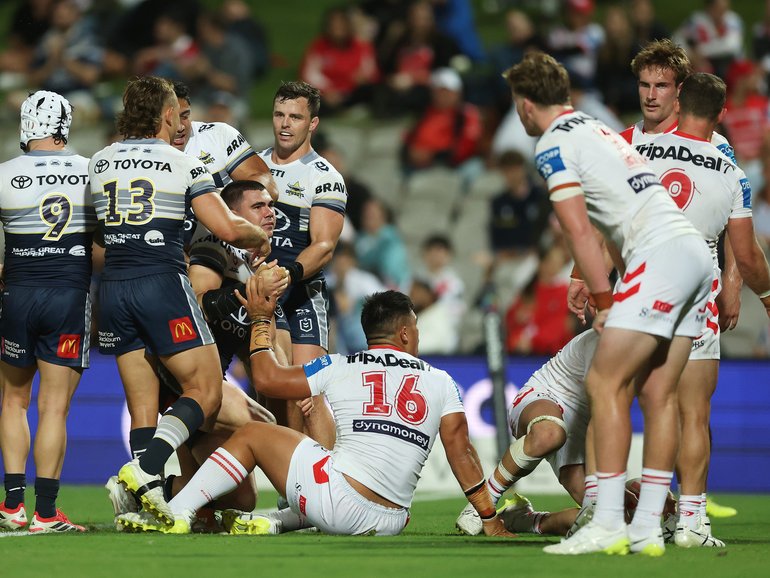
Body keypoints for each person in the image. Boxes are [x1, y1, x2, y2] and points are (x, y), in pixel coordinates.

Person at [504, 52, 713, 556]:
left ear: (526, 105)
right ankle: (644, 528)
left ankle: (606, 524)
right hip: (695, 256)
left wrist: (603, 297)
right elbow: (622, 213)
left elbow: (578, 229)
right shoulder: (595, 129)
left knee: (603, 381)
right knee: (659, 395)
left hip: (659, 256)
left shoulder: (553, 142)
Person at [116, 286, 513, 538]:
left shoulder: (340, 365)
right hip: (393, 521)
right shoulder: (441, 380)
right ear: (406, 334)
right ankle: (276, 521)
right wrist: (489, 517)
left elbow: (268, 380)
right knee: (330, 457)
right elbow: (461, 451)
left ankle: (179, 511)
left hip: (339, 505)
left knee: (254, 434)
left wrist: (258, 319)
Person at [89, 76, 270, 527]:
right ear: (167, 114)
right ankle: (145, 470)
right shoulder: (179, 162)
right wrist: (258, 234)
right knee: (206, 393)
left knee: (142, 403)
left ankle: (143, 502)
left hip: (112, 288)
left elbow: (94, 236)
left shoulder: (100, 161)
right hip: (161, 282)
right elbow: (227, 228)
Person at [634, 73, 770, 547]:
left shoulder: (638, 150)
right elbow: (748, 256)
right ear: (721, 115)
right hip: (695, 293)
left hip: (639, 290)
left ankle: (642, 517)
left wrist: (586, 277)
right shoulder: (729, 170)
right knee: (694, 411)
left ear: (677, 102)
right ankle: (692, 523)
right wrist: (766, 295)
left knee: (645, 404)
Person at [619, 39, 746, 538]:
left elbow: (732, 224)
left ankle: (685, 509)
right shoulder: (626, 140)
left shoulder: (713, 145)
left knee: (683, 404)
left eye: (661, 86)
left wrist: (732, 282)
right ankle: (666, 510)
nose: (651, 96)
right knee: (643, 402)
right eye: (644, 85)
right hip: (636, 284)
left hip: (689, 290)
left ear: (680, 93)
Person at [0, 90, 94, 533]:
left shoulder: (5, 173)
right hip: (67, 294)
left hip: (17, 293)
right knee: (53, 408)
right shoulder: (87, 170)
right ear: (64, 125)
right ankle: (46, 512)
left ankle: (12, 504)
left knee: (13, 401)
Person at [256, 81, 346, 444]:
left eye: (295, 116)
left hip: (302, 292)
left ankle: (327, 483)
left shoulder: (324, 177)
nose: (285, 124)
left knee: (310, 391)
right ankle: (291, 485)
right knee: (276, 393)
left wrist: (288, 273)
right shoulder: (252, 167)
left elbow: (324, 245)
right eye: (279, 114)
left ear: (313, 123)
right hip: (261, 292)